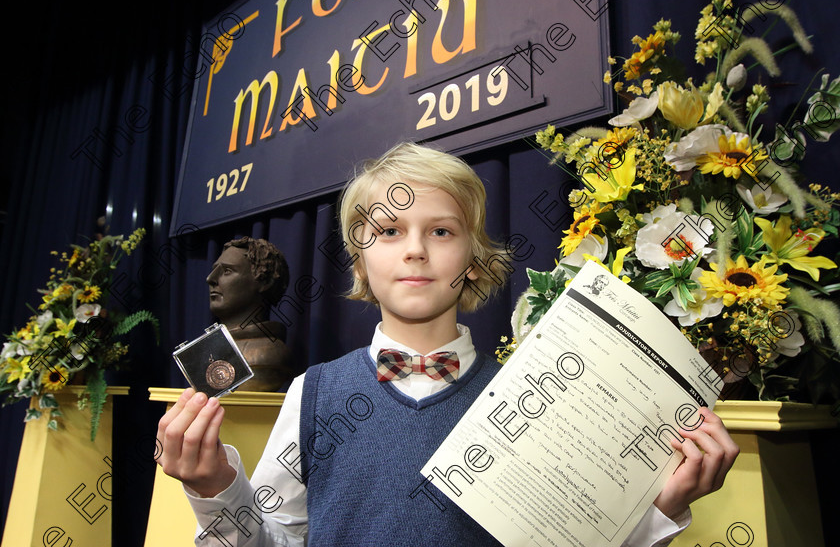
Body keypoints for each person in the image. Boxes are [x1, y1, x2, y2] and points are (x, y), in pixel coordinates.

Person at [157, 142, 739, 546]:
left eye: (441, 230)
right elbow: (267, 543)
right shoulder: (313, 393)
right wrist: (214, 487)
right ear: (360, 258)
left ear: (474, 258)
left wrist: (665, 507)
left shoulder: (528, 397)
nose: (415, 249)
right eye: (388, 232)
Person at [206, 237, 294, 391]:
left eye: (227, 271)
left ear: (264, 282)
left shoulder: (266, 355)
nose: (210, 279)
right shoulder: (210, 349)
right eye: (214, 270)